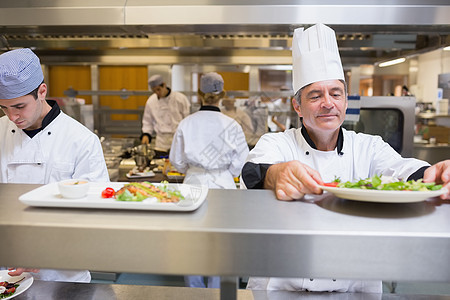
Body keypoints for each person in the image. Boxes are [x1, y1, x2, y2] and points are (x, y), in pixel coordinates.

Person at [240, 23, 450, 293]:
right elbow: (253, 171)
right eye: (315, 95)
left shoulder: (369, 146)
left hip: (355, 285)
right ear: (297, 106)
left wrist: (436, 173)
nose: (328, 103)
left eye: (335, 93)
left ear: (345, 102)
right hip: (282, 285)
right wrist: (277, 174)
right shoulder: (278, 142)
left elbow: (404, 170)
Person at [0, 48, 110, 282]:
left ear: (42, 91)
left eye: (19, 107)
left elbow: (97, 212)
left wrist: (45, 250)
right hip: (5, 272)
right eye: (4, 108)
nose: (12, 117)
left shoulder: (80, 140)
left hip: (63, 272)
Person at [170, 72, 249, 288]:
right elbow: (241, 164)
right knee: (221, 243)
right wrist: (222, 170)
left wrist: (194, 169)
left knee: (191, 243)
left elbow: (176, 161)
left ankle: (194, 293)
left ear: (198, 94)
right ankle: (217, 291)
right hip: (223, 185)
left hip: (193, 184)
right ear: (223, 94)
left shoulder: (186, 123)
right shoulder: (232, 125)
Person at [141, 74, 191, 157]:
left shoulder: (180, 99)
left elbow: (187, 120)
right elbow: (147, 121)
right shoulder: (151, 101)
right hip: (161, 143)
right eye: (154, 91)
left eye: (159, 89)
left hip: (178, 140)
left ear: (164, 85)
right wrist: (146, 134)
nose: (157, 93)